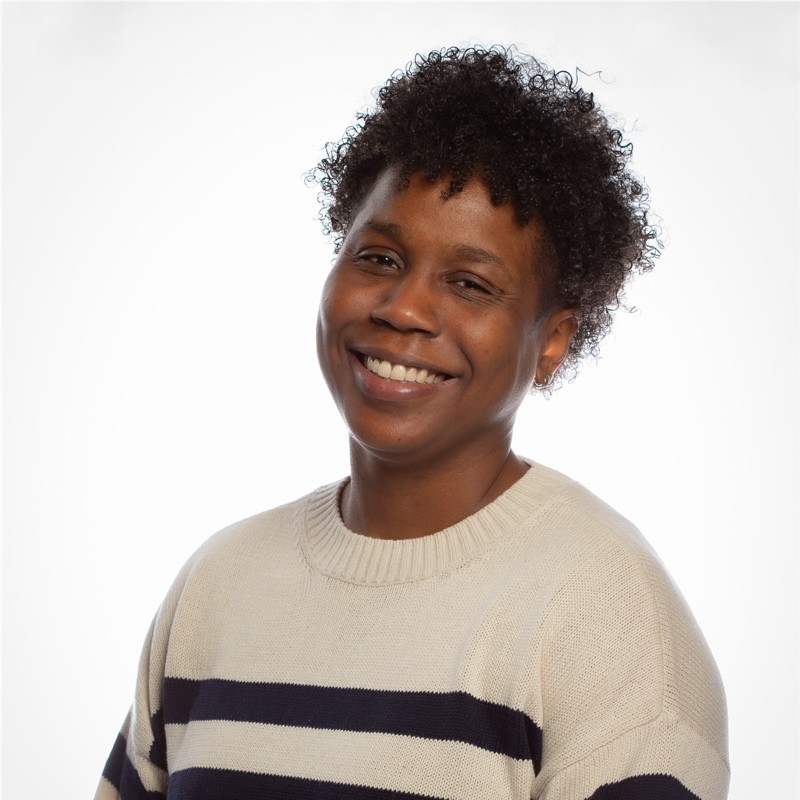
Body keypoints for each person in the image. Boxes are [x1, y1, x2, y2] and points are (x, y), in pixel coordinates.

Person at [95, 46, 728, 800]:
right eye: (380, 257)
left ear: (552, 340)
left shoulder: (607, 623)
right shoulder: (217, 586)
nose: (403, 308)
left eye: (468, 283)